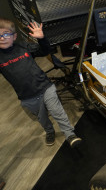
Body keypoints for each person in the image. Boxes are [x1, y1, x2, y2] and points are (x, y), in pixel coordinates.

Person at [0, 18, 81, 148]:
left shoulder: (24, 47)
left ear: (14, 36)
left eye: (6, 34)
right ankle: (49, 131)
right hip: (27, 96)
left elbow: (44, 51)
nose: (2, 38)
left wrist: (42, 39)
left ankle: (70, 134)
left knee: (57, 112)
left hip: (45, 87)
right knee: (42, 118)